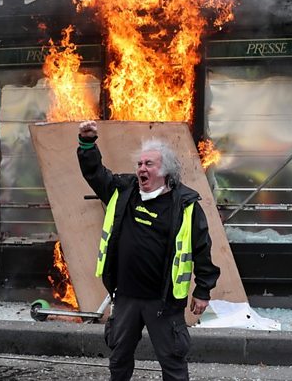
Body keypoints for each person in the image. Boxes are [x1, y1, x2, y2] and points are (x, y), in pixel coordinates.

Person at [77, 120, 220, 381]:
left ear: (164, 171)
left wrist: (203, 290)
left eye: (148, 164)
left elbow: (202, 250)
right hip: (126, 297)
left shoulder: (185, 205)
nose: (141, 168)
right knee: (119, 358)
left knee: (173, 361)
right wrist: (87, 144)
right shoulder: (123, 192)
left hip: (162, 302)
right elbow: (95, 174)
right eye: (139, 164)